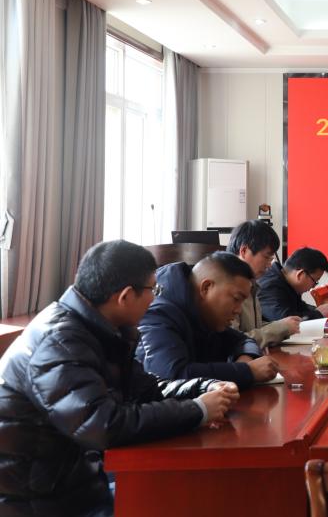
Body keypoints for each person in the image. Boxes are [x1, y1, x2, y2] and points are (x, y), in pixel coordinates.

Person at [0, 241, 239, 516]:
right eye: (154, 290)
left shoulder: (99, 329)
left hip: (77, 481)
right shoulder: (61, 342)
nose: (155, 298)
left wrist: (203, 389)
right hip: (41, 503)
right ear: (125, 296)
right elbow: (103, 426)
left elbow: (146, 389)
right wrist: (198, 410)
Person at [137, 252, 279, 388]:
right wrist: (246, 371)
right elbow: (171, 377)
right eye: (236, 299)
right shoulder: (158, 316)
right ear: (206, 288)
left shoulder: (206, 315)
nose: (239, 310)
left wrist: (245, 358)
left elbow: (243, 340)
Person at [225, 220, 299, 347]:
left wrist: (283, 325)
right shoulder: (226, 287)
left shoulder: (252, 284)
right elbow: (232, 341)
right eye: (266, 257)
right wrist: (281, 328)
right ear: (244, 251)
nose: (270, 265)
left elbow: (254, 327)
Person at [258, 246, 328, 321]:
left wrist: (320, 310)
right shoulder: (270, 286)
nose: (313, 286)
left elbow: (301, 307)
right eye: (315, 281)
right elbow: (285, 320)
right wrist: (318, 314)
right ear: (300, 274)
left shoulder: (287, 283)